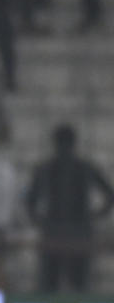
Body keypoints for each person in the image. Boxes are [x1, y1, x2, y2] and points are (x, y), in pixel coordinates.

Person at [26, 124, 114, 292]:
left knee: (78, 282)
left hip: (77, 232)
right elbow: (29, 201)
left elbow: (109, 195)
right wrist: (40, 221)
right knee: (49, 283)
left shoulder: (85, 168)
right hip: (56, 232)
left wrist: (94, 216)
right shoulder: (46, 169)